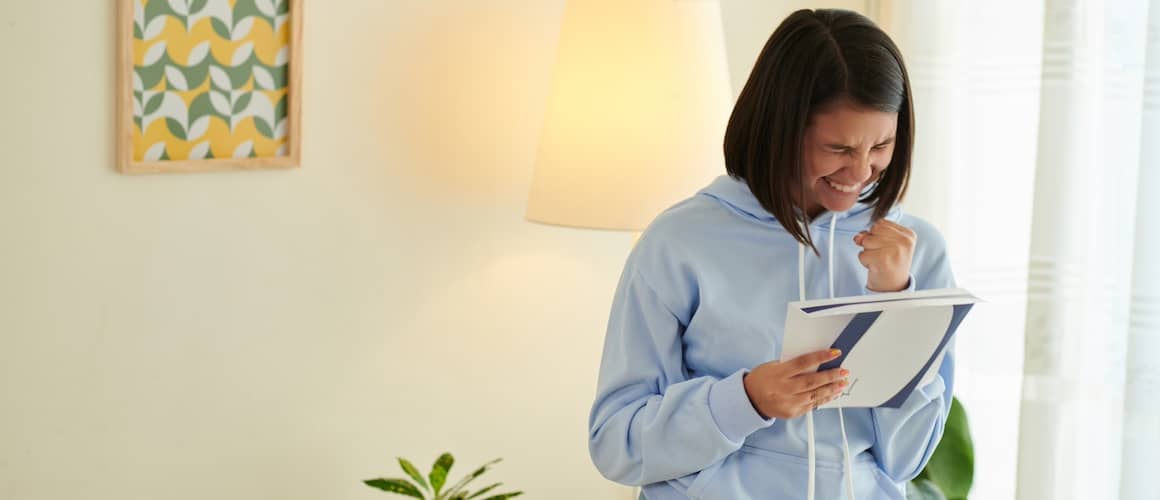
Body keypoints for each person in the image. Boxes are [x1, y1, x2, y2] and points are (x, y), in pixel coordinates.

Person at [587, 9, 956, 500]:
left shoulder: (915, 250)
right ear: (780, 128)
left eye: (881, 145)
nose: (862, 171)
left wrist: (895, 303)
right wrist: (745, 401)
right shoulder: (681, 242)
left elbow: (909, 458)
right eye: (838, 147)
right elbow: (617, 443)